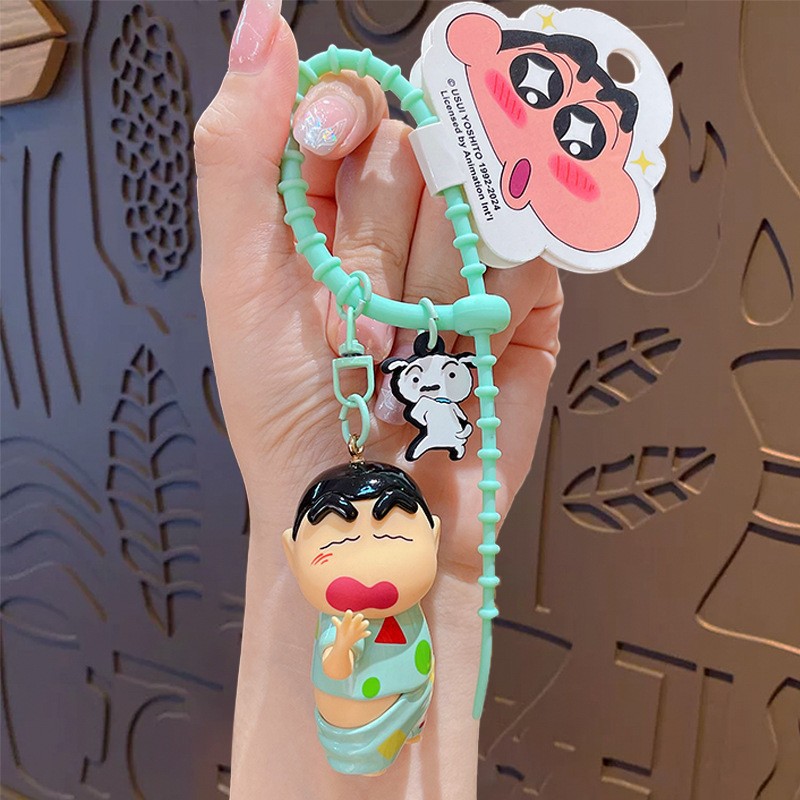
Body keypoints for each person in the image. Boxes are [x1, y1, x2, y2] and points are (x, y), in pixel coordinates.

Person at [195, 0, 563, 796]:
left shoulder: (411, 576)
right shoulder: (347, 607)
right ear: (295, 548)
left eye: (389, 529)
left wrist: (452, 577)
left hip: (401, 709)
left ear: (430, 533)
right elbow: (337, 661)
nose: (365, 553)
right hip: (356, 719)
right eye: (336, 537)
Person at [283, 460, 440, 775]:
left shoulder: (408, 610)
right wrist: (343, 646)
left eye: (395, 540)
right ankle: (369, 756)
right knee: (368, 767)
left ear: (434, 539)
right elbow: (336, 670)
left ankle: (408, 730)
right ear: (293, 554)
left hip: (412, 700)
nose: (370, 568)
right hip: (354, 732)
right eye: (338, 543)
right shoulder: (341, 624)